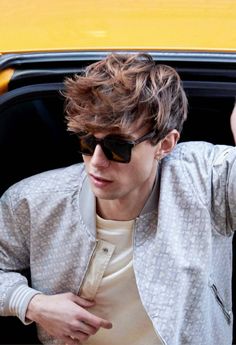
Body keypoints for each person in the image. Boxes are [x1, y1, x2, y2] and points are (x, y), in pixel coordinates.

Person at [0, 53, 235, 345]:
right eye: (87, 141)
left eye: (117, 147)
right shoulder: (34, 201)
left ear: (165, 144)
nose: (96, 162)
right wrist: (30, 303)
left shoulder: (207, 180)